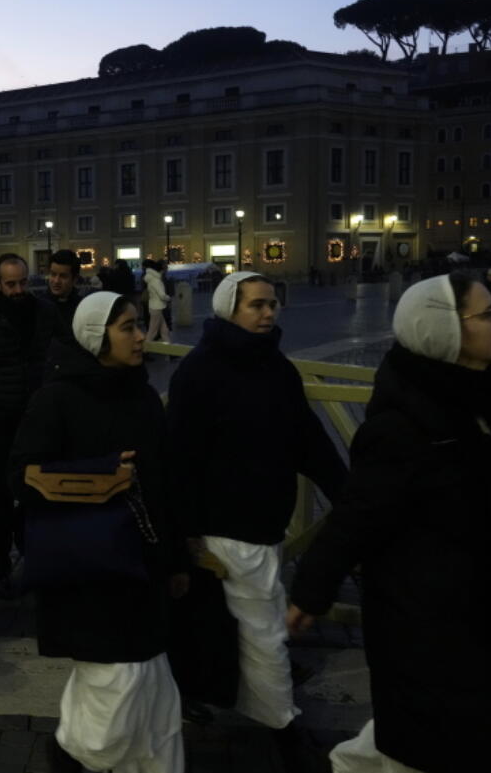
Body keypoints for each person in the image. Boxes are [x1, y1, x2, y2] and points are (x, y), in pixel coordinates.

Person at [287, 273, 491, 773]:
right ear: (444, 332)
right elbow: (357, 514)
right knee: (437, 745)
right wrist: (312, 591)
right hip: (431, 627)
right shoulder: (402, 425)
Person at [165, 271, 347, 772]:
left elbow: (307, 438)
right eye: (258, 305)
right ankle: (284, 727)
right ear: (230, 310)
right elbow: (179, 458)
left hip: (264, 526)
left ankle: (207, 693)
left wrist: (347, 492)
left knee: (241, 628)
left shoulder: (277, 367)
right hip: (224, 528)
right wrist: (185, 532)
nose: (269, 313)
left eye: (273, 305)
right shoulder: (199, 372)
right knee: (263, 630)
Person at [10, 292, 186, 773]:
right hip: (89, 570)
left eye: (138, 325)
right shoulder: (56, 399)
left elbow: (163, 483)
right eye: (127, 327)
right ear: (96, 336)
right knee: (119, 681)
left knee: (151, 687)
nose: (140, 335)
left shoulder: (143, 394)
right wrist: (101, 473)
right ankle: (73, 753)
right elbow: (20, 475)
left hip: (143, 564)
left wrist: (175, 561)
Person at [0, 253, 70, 598]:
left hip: (37, 417)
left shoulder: (44, 311)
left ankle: (34, 556)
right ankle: (2, 564)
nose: (18, 289)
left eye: (23, 281)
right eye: (11, 283)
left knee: (39, 491)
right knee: (1, 496)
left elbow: (64, 350)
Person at [42, 249, 83, 326]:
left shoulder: (82, 307)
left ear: (75, 279)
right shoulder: (38, 306)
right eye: (53, 274)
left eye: (63, 276)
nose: (56, 281)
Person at [142, 260, 171, 346]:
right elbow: (162, 295)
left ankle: (169, 350)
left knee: (164, 330)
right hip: (157, 307)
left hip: (155, 307)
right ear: (159, 270)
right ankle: (144, 351)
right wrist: (168, 298)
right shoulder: (156, 281)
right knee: (152, 332)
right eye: (162, 270)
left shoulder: (151, 279)